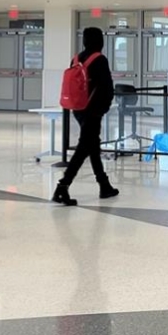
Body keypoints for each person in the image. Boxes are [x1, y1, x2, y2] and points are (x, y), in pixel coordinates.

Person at [52, 27, 120, 207]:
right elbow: (107, 87)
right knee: (84, 148)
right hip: (93, 110)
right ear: (100, 41)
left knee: (92, 145)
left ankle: (104, 185)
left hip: (78, 109)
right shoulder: (99, 60)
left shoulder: (76, 59)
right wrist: (104, 107)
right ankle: (62, 187)